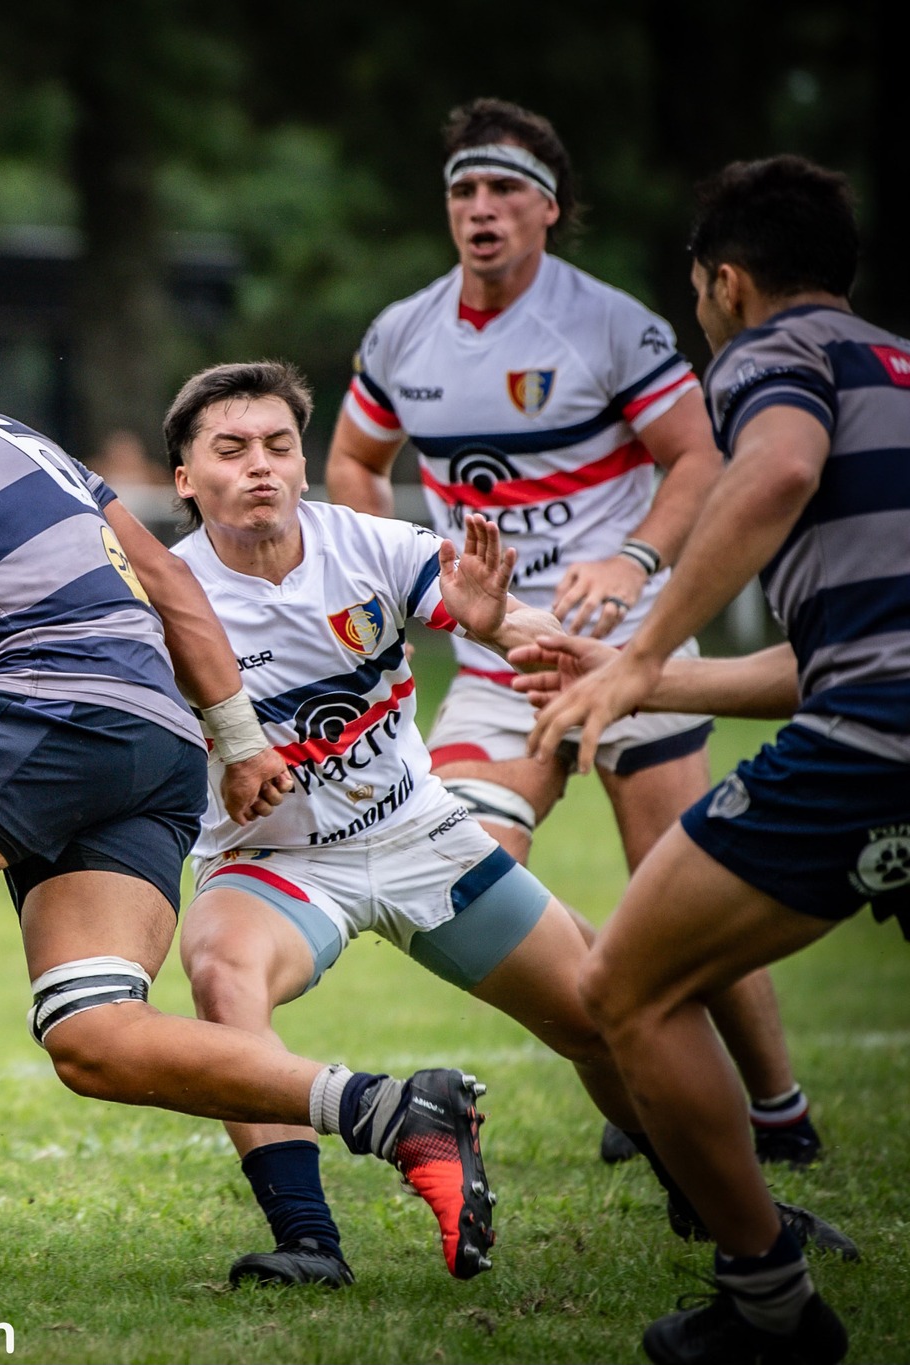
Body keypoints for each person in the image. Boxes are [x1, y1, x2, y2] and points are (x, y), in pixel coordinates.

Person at [0, 267, 497, 1299]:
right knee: (92, 1031)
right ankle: (396, 1111)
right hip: (156, 740)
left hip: (48, 713)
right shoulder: (13, 436)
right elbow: (169, 584)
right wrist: (235, 740)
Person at [160, 361, 843, 1291]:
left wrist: (497, 623)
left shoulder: (370, 545)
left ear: (304, 464)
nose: (261, 465)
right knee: (220, 973)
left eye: (280, 445)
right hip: (274, 864)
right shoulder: (161, 595)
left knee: (603, 1010)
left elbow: (507, 623)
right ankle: (309, 1241)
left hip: (419, 836)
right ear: (184, 478)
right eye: (231, 449)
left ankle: (709, 1197)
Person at [324, 97, 818, 1169]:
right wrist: (402, 579)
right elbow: (354, 461)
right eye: (462, 189)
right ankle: (639, 1062)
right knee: (464, 869)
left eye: (504, 188)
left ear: (548, 209)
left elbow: (697, 457)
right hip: (496, 657)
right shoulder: (403, 333)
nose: (480, 207)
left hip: (627, 648)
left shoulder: (611, 326)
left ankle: (777, 1111)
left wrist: (632, 558)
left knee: (692, 892)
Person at [518, 156, 899, 1365]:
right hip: (876, 707)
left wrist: (645, 646)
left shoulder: (765, 355)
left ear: (724, 282)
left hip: (874, 740)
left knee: (620, 988)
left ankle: (766, 1303)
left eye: (696, 290)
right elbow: (831, 655)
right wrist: (641, 677)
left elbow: (776, 470)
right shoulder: (895, 366)